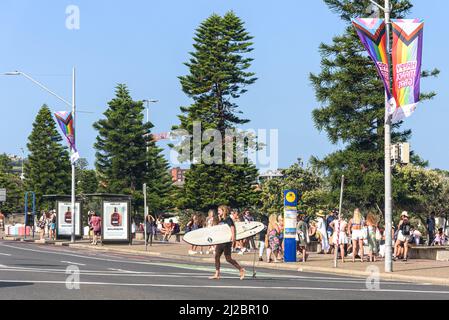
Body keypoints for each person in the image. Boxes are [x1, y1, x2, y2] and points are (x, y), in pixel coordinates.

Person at [209, 205, 245, 280]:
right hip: (220, 240)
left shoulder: (228, 219)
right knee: (216, 256)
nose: (218, 212)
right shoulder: (220, 219)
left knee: (228, 258)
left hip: (226, 241)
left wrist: (233, 237)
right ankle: (217, 274)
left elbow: (232, 227)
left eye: (219, 210)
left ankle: (241, 269)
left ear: (223, 211)